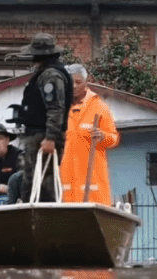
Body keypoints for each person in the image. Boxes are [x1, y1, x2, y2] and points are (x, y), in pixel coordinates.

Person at [8, 33, 73, 204]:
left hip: (42, 136)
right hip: (38, 135)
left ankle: (46, 215)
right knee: (32, 182)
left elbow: (56, 108)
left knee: (43, 182)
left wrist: (50, 137)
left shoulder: (51, 75)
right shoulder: (46, 73)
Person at [59, 63, 120, 205]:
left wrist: (103, 136)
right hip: (66, 183)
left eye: (78, 82)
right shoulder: (60, 109)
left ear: (86, 82)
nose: (74, 86)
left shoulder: (99, 107)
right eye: (70, 83)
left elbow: (114, 138)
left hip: (92, 185)